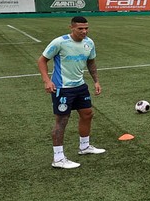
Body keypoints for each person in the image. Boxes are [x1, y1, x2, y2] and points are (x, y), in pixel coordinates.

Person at [38, 15, 104, 169]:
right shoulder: (60, 42)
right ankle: (59, 158)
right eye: (80, 28)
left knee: (87, 113)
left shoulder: (89, 43)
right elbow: (42, 60)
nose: (84, 31)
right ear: (72, 28)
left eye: (86, 28)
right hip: (62, 88)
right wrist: (47, 81)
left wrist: (96, 81)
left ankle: (84, 146)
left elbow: (91, 62)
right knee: (62, 120)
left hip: (80, 86)